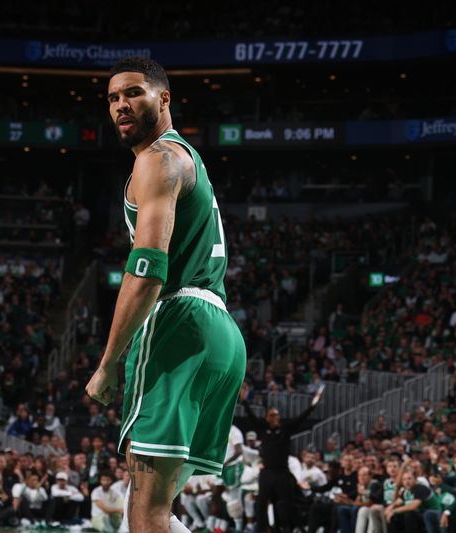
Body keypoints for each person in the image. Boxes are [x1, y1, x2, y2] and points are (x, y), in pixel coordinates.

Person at [85, 57, 247, 533]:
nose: (121, 105)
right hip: (220, 331)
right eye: (113, 98)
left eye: (133, 93)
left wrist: (109, 361)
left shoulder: (156, 160)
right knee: (155, 505)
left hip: (178, 322)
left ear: (163, 98)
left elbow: (148, 269)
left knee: (145, 511)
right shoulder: (185, 158)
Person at [242, 383, 323, 532]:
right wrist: (244, 401)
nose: (276, 417)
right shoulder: (262, 429)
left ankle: (290, 528)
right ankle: (261, 529)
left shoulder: (286, 429)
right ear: (267, 418)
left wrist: (313, 406)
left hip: (282, 472)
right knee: (261, 503)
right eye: (272, 415)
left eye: (277, 415)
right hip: (267, 472)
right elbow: (251, 417)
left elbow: (301, 418)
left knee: (286, 503)